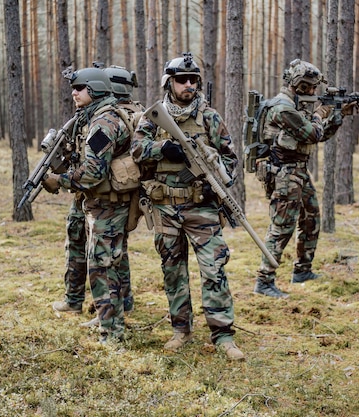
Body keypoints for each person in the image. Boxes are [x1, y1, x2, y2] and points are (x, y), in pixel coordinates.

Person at [130, 53, 245, 361]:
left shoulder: (209, 117)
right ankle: (181, 329)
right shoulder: (153, 117)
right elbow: (137, 150)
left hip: (202, 207)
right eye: (182, 80)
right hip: (165, 207)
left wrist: (216, 182)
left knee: (214, 268)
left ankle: (223, 334)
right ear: (170, 83)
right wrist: (162, 148)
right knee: (173, 271)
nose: (188, 85)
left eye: (193, 80)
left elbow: (231, 158)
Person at [42, 66, 139, 344]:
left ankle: (111, 334)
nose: (74, 93)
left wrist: (58, 180)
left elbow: (93, 174)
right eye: (74, 88)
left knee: (102, 266)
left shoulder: (103, 123)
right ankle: (108, 319)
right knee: (111, 263)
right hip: (104, 204)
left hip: (108, 206)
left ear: (94, 90)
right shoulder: (95, 117)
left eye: (80, 88)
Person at [253, 59, 339, 299]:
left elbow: (318, 135)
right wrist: (322, 112)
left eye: (314, 87)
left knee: (311, 218)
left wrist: (337, 115)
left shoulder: (296, 106)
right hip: (284, 174)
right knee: (282, 227)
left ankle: (303, 269)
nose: (313, 92)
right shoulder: (283, 108)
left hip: (298, 171)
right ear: (297, 85)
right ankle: (264, 280)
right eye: (308, 87)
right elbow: (311, 133)